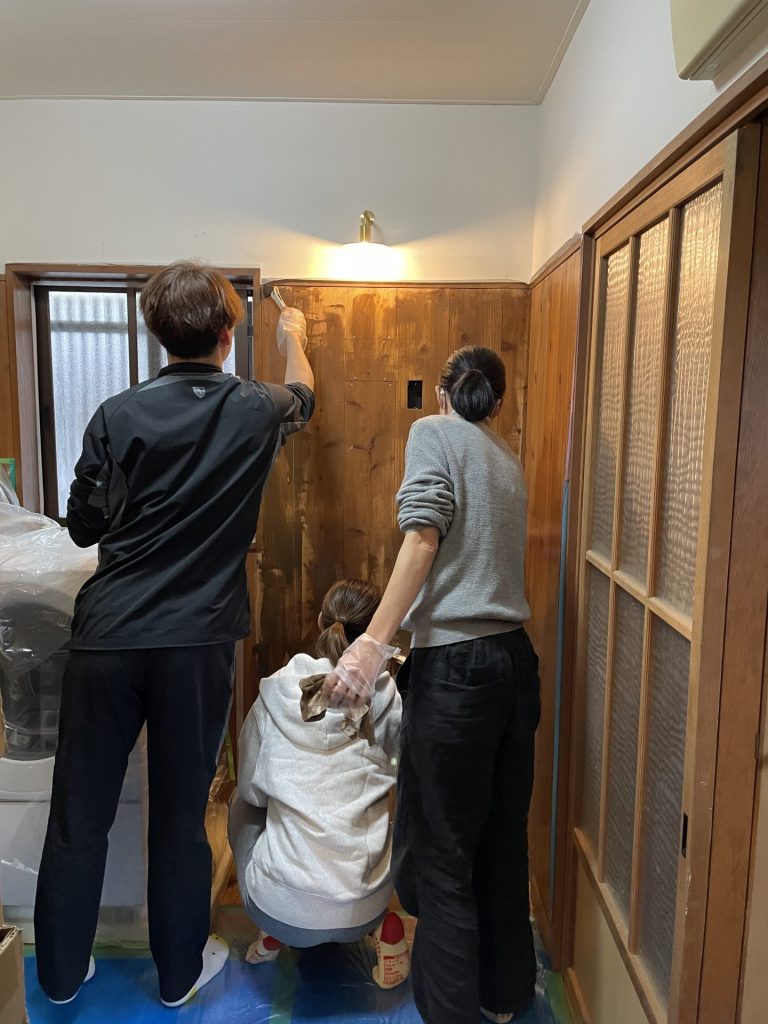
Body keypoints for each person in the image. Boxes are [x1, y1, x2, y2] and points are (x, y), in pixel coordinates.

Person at [34, 261, 315, 1008]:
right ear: (227, 333)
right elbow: (306, 396)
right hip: (196, 642)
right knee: (182, 813)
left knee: (79, 812)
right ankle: (179, 974)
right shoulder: (258, 407)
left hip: (108, 637)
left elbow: (83, 526)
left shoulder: (115, 413)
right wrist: (293, 336)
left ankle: (58, 977)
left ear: (156, 332)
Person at [323, 346, 541, 1024]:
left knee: (444, 861)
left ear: (444, 393)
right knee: (503, 843)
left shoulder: (432, 431)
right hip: (515, 663)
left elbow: (423, 537)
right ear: (498, 403)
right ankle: (504, 998)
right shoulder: (507, 460)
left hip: (457, 669)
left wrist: (370, 644)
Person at [228, 578, 410, 990]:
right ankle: (384, 930)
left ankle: (276, 932)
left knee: (242, 804)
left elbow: (252, 790)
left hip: (280, 909)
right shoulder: (389, 697)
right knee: (385, 818)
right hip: (367, 907)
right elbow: (398, 768)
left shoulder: (277, 691)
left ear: (319, 621)